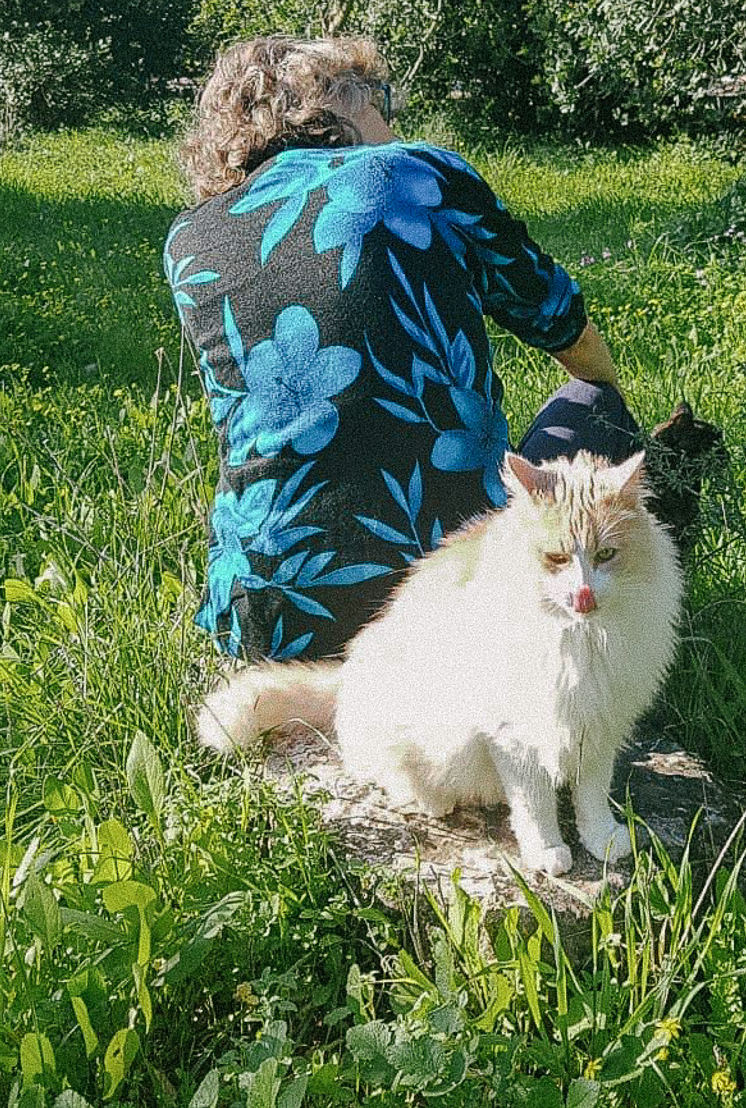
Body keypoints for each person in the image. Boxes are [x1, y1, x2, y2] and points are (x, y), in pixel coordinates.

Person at [165, 32, 648, 663]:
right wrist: (614, 405)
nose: (391, 121)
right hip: (445, 602)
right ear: (332, 102)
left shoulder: (189, 238)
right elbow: (564, 326)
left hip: (268, 621)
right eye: (377, 100)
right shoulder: (419, 175)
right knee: (594, 403)